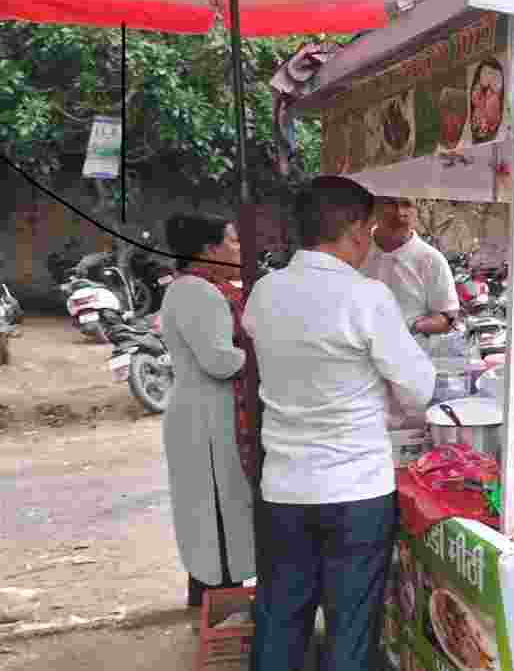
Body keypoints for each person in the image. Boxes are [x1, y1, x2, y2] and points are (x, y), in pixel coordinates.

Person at [244, 176, 435, 671]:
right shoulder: (365, 297)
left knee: (280, 618)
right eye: (369, 230)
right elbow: (419, 390)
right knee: (350, 627)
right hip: (354, 491)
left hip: (284, 487)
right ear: (354, 230)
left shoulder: (264, 293)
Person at [159, 214, 256, 608]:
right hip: (206, 417)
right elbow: (218, 360)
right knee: (217, 509)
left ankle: (209, 599)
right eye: (232, 242)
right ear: (209, 250)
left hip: (203, 413)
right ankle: (220, 604)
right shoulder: (200, 292)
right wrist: (263, 357)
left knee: (211, 508)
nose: (238, 249)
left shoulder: (192, 288)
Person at [359, 197, 459, 338]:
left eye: (407, 204)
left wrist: (411, 327)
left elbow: (448, 317)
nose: (400, 212)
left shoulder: (432, 260)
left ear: (416, 210)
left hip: (407, 355)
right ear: (374, 207)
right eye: (391, 203)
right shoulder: (353, 248)